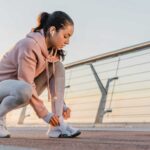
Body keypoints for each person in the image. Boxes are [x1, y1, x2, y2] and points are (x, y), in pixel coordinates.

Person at [0, 11, 81, 138]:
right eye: (66, 36)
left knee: (58, 67)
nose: (68, 41)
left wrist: (62, 106)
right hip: (4, 87)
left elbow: (52, 84)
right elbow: (26, 82)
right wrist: (45, 115)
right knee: (25, 88)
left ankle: (57, 126)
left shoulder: (51, 53)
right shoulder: (29, 45)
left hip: (17, 89)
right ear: (53, 30)